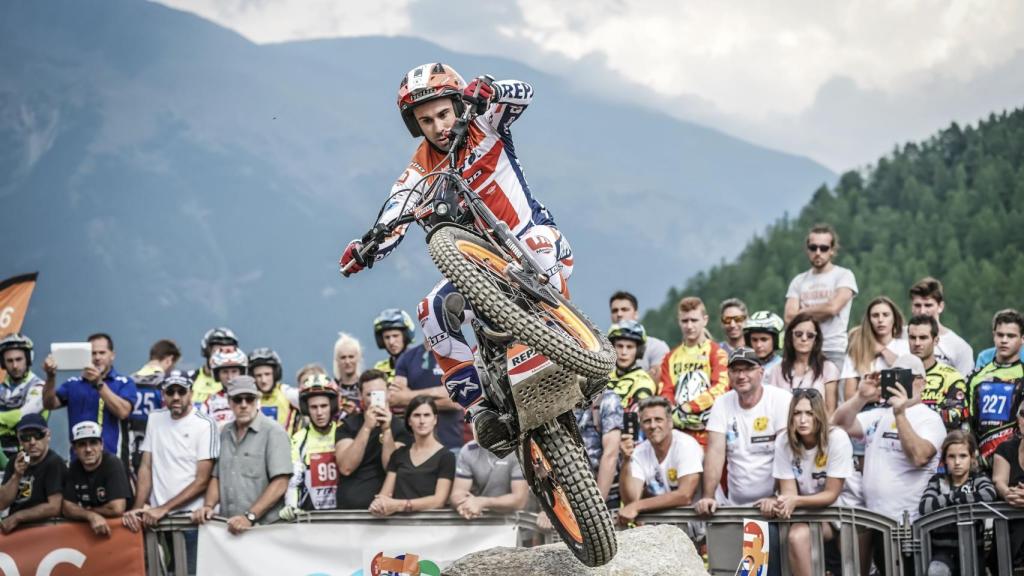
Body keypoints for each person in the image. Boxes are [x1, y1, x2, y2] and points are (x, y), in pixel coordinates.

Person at [340, 64, 571, 453]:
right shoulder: (420, 169)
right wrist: (366, 247)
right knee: (430, 310)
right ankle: (481, 410)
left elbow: (525, 93)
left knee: (540, 251)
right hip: (482, 271)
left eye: (444, 114)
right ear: (416, 125)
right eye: (425, 120)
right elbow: (395, 210)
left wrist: (491, 90)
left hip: (536, 240)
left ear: (458, 105)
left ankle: (569, 348)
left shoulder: (485, 124)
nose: (437, 126)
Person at [832, 354, 945, 574]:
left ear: (921, 381)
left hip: (907, 524)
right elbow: (838, 425)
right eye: (892, 376)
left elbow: (919, 457)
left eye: (904, 377)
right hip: (875, 519)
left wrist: (900, 413)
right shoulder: (878, 414)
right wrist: (860, 397)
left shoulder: (930, 418)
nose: (897, 383)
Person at [122, 371, 216, 575]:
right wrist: (138, 509)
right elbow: (146, 466)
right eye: (170, 391)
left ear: (191, 393)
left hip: (190, 521)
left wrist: (163, 508)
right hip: (158, 522)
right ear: (163, 394)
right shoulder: (155, 419)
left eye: (181, 391)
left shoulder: (205, 424)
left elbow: (202, 481)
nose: (175, 397)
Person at [696, 347, 793, 516]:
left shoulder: (780, 399)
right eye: (735, 370)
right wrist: (708, 496)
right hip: (735, 506)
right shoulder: (722, 403)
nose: (741, 376)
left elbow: (787, 452)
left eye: (748, 369)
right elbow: (715, 453)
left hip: (774, 505)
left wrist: (777, 496)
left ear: (761, 372)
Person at [772, 389, 856, 576]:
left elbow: (831, 494)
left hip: (842, 511)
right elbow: (788, 494)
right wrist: (785, 502)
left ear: (819, 415)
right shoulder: (783, 441)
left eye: (809, 413)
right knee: (796, 536)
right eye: (797, 413)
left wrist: (794, 501)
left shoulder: (837, 438)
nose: (802, 420)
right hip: (806, 512)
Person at [192, 375, 291, 533]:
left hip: (265, 530)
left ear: (257, 400)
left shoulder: (274, 432)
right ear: (229, 402)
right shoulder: (224, 433)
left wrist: (249, 517)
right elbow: (217, 477)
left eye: (249, 399)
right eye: (238, 399)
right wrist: (208, 506)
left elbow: (280, 483)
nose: (244, 405)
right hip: (229, 528)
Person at [42, 333, 136, 463]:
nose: (97, 358)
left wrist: (99, 383)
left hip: (113, 461)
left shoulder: (124, 382)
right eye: (93, 353)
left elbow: (123, 412)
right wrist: (50, 377)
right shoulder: (73, 383)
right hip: (78, 462)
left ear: (112, 355)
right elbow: (49, 404)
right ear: (86, 356)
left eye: (102, 353)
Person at [919, 431, 996, 576]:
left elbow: (989, 494)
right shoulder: (938, 481)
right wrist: (958, 497)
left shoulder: (978, 478)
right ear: (944, 460)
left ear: (972, 458)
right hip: (943, 552)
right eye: (951, 456)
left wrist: (951, 497)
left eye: (963, 456)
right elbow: (925, 506)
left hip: (973, 549)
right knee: (936, 571)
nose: (957, 462)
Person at [617, 396, 702, 526]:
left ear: (670, 423)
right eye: (647, 421)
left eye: (658, 420)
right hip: (668, 529)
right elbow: (631, 500)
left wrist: (638, 506)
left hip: (701, 527)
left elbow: (685, 495)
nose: (652, 425)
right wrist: (626, 461)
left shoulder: (686, 445)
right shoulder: (639, 452)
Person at [784, 223, 858, 369]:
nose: (818, 252)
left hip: (833, 349)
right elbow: (788, 317)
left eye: (823, 248)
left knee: (835, 392)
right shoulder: (798, 280)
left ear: (832, 251)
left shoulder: (844, 275)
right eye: (813, 247)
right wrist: (820, 310)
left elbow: (832, 308)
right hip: (803, 351)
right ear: (807, 250)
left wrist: (803, 312)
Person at [335, 370, 411, 509]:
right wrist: (366, 428)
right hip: (350, 511)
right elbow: (346, 467)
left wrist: (387, 430)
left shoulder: (402, 428)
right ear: (360, 396)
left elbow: (393, 469)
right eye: (369, 394)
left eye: (379, 393)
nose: (375, 398)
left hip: (387, 510)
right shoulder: (347, 426)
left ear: (388, 393)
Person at [659, 296, 729, 446]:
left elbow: (721, 387)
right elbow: (665, 390)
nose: (689, 326)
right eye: (685, 321)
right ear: (679, 321)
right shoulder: (670, 357)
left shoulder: (717, 353)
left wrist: (690, 407)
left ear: (705, 320)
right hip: (679, 431)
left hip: (709, 430)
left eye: (694, 320)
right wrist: (672, 411)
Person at [369, 395, 455, 516]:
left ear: (435, 419)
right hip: (398, 526)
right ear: (409, 420)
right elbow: (384, 494)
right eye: (416, 415)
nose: (422, 421)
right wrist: (378, 504)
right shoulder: (398, 454)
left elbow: (439, 501)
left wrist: (399, 505)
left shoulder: (447, 457)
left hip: (433, 528)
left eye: (426, 415)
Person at [967, 308, 1024, 466]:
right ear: (994, 336)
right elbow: (967, 422)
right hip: (980, 462)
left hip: (1015, 463)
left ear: (1022, 339)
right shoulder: (975, 377)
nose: (1004, 340)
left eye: (1011, 336)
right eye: (1000, 335)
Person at [389, 338, 464, 451]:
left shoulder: (457, 355)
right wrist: (442, 392)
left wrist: (410, 397)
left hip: (451, 445)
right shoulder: (407, 357)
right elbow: (395, 398)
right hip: (416, 447)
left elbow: (457, 402)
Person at [283, 374, 342, 514]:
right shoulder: (298, 439)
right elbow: (294, 481)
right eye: (314, 407)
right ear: (306, 409)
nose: (319, 412)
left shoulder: (344, 433)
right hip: (310, 518)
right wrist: (291, 506)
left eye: (324, 406)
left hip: (343, 514)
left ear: (332, 406)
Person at [62, 421, 131, 537]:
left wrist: (86, 510)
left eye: (93, 443)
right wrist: (91, 516)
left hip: (125, 532)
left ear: (101, 445)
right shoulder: (74, 468)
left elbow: (117, 508)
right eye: (82, 444)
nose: (88, 449)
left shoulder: (113, 463)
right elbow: (67, 508)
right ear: (74, 449)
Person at [764, 312, 840, 414]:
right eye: (798, 334)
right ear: (791, 337)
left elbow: (831, 411)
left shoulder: (828, 368)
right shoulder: (777, 370)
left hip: (819, 427)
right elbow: (771, 407)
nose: (804, 339)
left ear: (816, 340)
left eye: (810, 335)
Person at [0, 414, 64, 534]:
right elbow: (2, 503)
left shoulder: (54, 462)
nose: (32, 442)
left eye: (38, 435)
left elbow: (54, 507)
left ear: (48, 436)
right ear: (19, 440)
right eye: (26, 437)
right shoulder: (15, 461)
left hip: (44, 531)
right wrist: (16, 476)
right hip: (16, 532)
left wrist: (18, 516)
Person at [839, 296, 909, 404]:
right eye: (875, 315)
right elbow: (849, 396)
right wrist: (881, 395)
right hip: (865, 412)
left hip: (897, 409)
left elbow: (908, 384)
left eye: (885, 315)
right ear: (869, 320)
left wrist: (883, 350)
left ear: (894, 318)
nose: (880, 320)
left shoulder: (906, 346)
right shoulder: (857, 350)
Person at [128, 339, 181, 475]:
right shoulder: (166, 383)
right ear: (169, 360)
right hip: (155, 446)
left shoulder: (129, 380)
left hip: (129, 444)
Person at [907, 315, 968, 432]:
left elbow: (955, 417)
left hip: (938, 443)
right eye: (912, 338)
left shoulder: (951, 376)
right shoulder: (898, 374)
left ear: (936, 341)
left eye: (923, 338)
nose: (917, 343)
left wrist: (912, 410)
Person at [449, 438, 529, 520]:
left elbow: (519, 500)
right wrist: (465, 505)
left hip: (517, 521)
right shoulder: (468, 450)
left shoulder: (517, 450)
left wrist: (482, 502)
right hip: (479, 518)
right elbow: (457, 494)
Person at [908, 277, 974, 376]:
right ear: (911, 307)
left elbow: (965, 387)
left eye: (928, 305)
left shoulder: (960, 347)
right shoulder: (900, 338)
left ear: (940, 307)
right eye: (917, 305)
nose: (922, 311)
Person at [575, 385, 623, 507]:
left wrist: (597, 506)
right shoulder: (559, 401)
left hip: (605, 494)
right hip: (572, 493)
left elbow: (610, 455)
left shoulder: (607, 398)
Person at [0, 333, 45, 463]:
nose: (14, 366)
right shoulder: (2, 389)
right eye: (9, 361)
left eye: (19, 359)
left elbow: (22, 416)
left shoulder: (39, 386)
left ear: (28, 359)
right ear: (3, 363)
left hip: (29, 456)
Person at [610, 291, 671, 380]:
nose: (619, 314)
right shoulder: (603, 351)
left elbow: (657, 381)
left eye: (624, 309)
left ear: (636, 314)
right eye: (614, 311)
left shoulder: (657, 347)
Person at [992, 402, 1024, 567]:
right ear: (1018, 420)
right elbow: (999, 481)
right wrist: (1009, 494)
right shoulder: (1005, 449)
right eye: (1023, 413)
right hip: (1009, 538)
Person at [606, 320, 658, 412]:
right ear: (613, 348)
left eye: (629, 347)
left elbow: (637, 414)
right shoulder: (605, 377)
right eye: (620, 346)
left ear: (638, 351)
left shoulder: (643, 381)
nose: (624, 352)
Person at [249, 347, 300, 434]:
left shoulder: (287, 392)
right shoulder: (248, 398)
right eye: (258, 375)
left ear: (276, 374)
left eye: (267, 374)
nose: (263, 380)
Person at [200, 347, 248, 428]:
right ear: (217, 375)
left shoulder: (252, 399)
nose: (230, 377)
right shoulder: (209, 402)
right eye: (225, 372)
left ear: (242, 373)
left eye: (234, 371)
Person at [190, 327, 239, 405]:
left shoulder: (239, 381)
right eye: (218, 352)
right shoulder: (190, 378)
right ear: (206, 352)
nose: (222, 357)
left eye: (227, 352)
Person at [371, 308, 416, 382]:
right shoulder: (379, 369)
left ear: (405, 337)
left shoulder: (420, 364)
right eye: (387, 337)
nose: (391, 342)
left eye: (395, 336)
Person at [332, 332, 363, 420]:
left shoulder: (366, 386)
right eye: (343, 357)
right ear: (337, 360)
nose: (347, 362)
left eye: (351, 357)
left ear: (358, 357)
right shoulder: (331, 387)